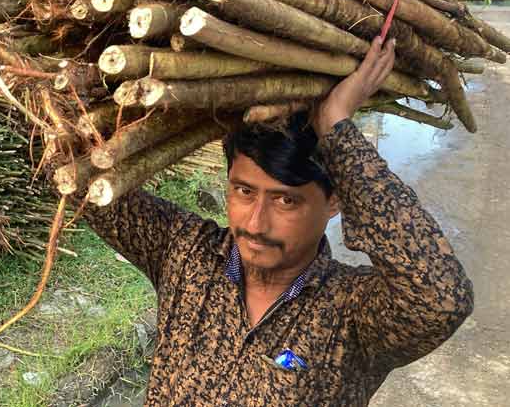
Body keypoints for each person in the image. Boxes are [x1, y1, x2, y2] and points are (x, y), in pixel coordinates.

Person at [83, 37, 473, 406]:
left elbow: (441, 299)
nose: (255, 223)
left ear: (335, 199)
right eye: (244, 192)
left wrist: (336, 128)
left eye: (286, 200)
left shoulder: (352, 316)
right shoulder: (184, 254)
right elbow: (76, 176)